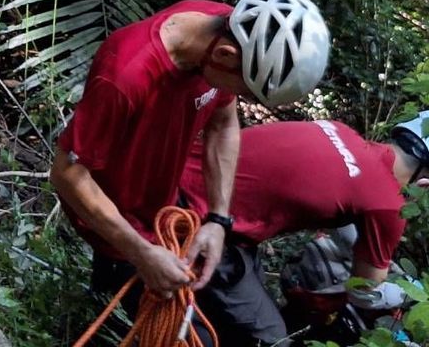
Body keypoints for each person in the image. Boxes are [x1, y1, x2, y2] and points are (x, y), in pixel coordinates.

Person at [48, 0, 331, 328]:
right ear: (225, 55)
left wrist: (219, 219)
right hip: (121, 227)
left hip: (165, 208)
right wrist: (140, 253)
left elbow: (223, 124)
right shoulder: (126, 75)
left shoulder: (225, 29)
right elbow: (68, 174)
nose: (239, 97)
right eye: (245, 90)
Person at [177, 114, 429, 344]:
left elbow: (343, 217)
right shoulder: (388, 203)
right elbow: (363, 293)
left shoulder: (341, 132)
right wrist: (409, 294)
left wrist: (382, 262)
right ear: (425, 182)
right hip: (202, 221)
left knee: (253, 293)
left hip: (182, 180)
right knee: (272, 338)